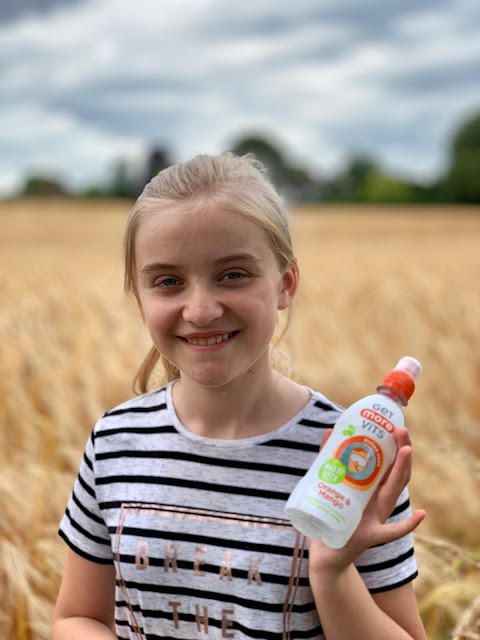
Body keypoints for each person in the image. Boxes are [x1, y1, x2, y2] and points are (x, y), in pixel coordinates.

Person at [52, 152, 427, 640]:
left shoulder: (352, 454)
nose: (202, 310)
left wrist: (332, 574)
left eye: (233, 274)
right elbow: (75, 618)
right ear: (139, 297)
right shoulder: (116, 442)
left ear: (285, 284)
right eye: (168, 282)